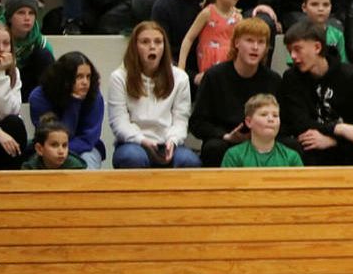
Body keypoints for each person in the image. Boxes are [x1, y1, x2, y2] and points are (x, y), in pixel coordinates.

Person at [279, 18, 353, 165]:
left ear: (317, 47)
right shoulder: (291, 78)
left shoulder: (351, 75)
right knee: (295, 146)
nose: (292, 56)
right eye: (290, 51)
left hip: (344, 145)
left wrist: (334, 140)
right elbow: (299, 122)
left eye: (297, 49)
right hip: (312, 145)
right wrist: (338, 128)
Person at [105, 22, 197, 169]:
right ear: (135, 47)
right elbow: (119, 123)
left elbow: (181, 120)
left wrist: (172, 141)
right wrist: (142, 140)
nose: (152, 46)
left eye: (158, 42)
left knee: (189, 161)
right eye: (145, 42)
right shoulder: (119, 77)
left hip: (168, 143)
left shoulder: (180, 77)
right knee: (132, 158)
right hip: (134, 143)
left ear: (164, 47)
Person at [190, 18, 280, 166]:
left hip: (263, 139)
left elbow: (285, 122)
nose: (255, 47)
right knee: (213, 148)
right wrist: (225, 135)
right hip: (225, 139)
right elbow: (198, 123)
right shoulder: (214, 76)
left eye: (261, 42)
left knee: (291, 145)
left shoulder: (273, 80)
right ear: (237, 43)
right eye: (249, 41)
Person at [29, 52, 107, 168]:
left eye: (88, 77)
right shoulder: (39, 97)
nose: (85, 82)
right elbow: (52, 134)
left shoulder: (94, 96)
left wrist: (64, 152)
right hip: (50, 148)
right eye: (79, 76)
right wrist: (73, 104)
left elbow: (88, 139)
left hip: (86, 148)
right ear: (64, 78)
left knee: (87, 162)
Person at [178, 0, 242, 80]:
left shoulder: (238, 17)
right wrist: (181, 67)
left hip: (231, 65)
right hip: (209, 65)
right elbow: (189, 38)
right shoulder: (207, 13)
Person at [4, 0, 53, 97]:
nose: (27, 18)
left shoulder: (39, 40)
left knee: (44, 55)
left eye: (31, 13)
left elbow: (53, 74)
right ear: (9, 17)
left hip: (27, 87)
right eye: (21, 13)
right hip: (2, 85)